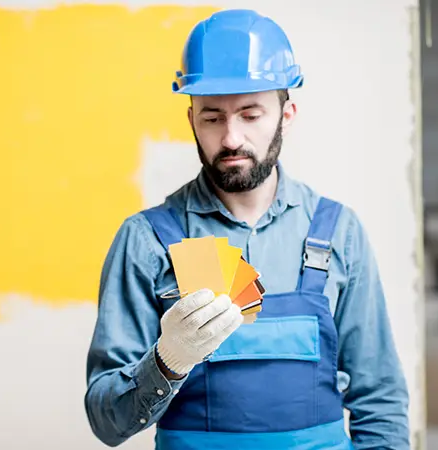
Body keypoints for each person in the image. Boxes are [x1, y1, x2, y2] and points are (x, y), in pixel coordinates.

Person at [84, 8, 410, 450]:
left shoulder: (338, 233)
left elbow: (381, 403)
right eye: (212, 117)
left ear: (287, 114)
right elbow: (107, 423)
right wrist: (166, 362)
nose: (231, 138)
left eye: (250, 115)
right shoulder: (145, 240)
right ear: (191, 120)